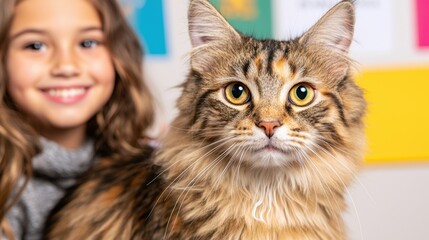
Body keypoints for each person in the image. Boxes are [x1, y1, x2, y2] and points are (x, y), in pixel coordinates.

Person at [0, 0, 155, 239]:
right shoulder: (7, 190)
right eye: (35, 45)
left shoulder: (152, 167)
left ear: (118, 53)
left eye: (88, 43)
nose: (66, 66)